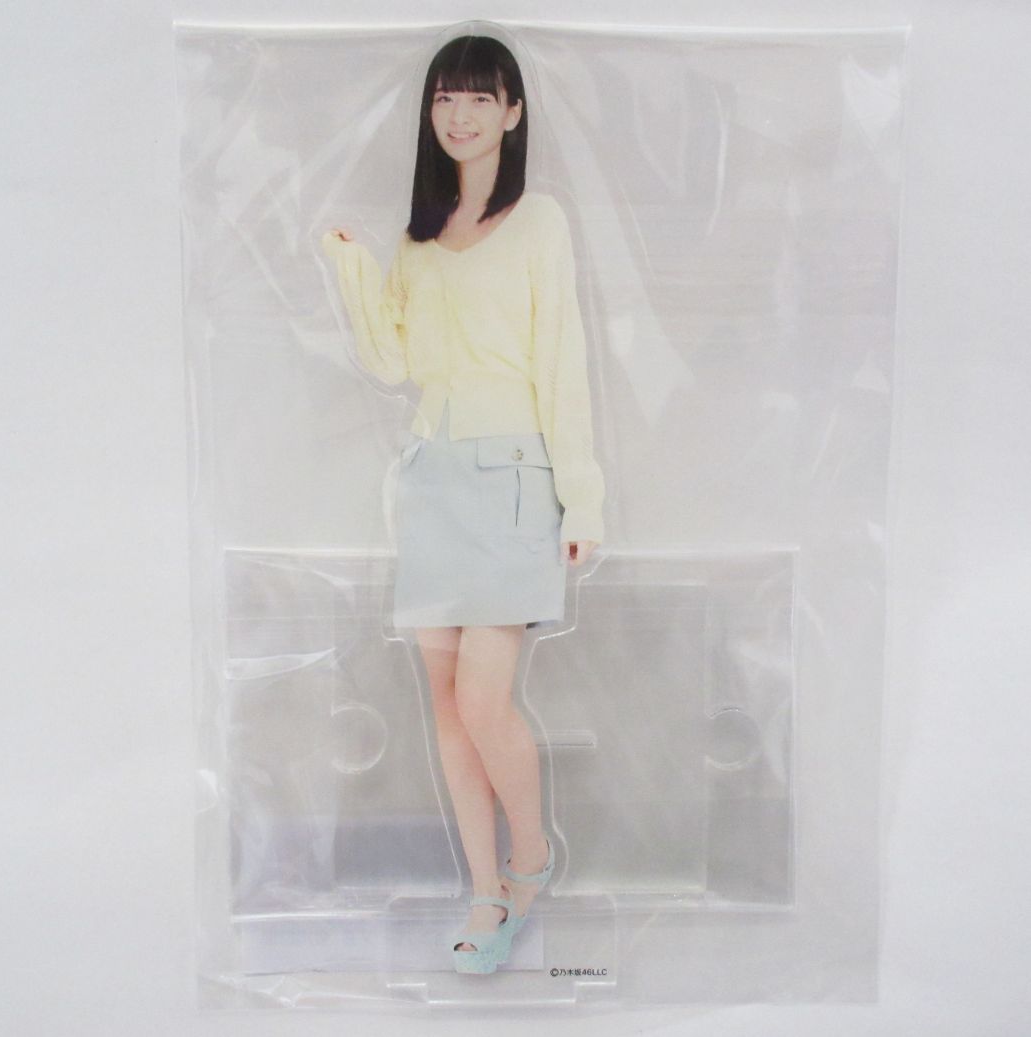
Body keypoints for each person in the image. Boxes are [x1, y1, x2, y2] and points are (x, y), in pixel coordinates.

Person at [320, 32, 605, 973]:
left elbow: (562, 363)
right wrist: (355, 272)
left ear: (513, 112)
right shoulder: (419, 238)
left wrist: (581, 499)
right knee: (445, 704)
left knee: (484, 699)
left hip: (513, 478)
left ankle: (530, 857)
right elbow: (393, 362)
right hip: (433, 479)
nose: (461, 114)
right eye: (446, 97)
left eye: (481, 97)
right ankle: (486, 890)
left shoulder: (539, 222)